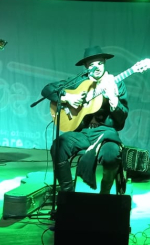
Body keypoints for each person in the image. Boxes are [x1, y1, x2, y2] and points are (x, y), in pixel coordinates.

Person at [42, 46, 128, 195]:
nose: (97, 67)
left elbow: (122, 118)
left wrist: (114, 101)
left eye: (100, 63)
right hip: (81, 132)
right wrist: (68, 97)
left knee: (111, 156)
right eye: (92, 64)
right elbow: (47, 89)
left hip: (105, 134)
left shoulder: (116, 83)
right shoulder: (79, 82)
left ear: (105, 63)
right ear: (86, 67)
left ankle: (104, 195)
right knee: (58, 146)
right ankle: (67, 195)